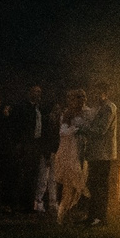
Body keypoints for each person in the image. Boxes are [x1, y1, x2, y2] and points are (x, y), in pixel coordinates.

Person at [80, 86, 120, 225]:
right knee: (93, 184)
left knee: (100, 186)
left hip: (103, 153)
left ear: (105, 93)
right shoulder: (99, 107)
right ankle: (92, 216)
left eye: (98, 93)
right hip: (96, 153)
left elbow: (101, 129)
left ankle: (100, 217)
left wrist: (83, 129)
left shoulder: (109, 107)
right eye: (94, 93)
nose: (96, 96)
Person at [51, 88, 89, 223]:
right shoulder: (68, 113)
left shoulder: (88, 112)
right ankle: (63, 213)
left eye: (83, 97)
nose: (81, 100)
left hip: (83, 150)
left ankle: (73, 210)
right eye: (78, 97)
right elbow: (63, 132)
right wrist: (75, 130)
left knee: (80, 180)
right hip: (70, 151)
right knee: (69, 183)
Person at [26, 84, 58, 216]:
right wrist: (47, 153)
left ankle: (52, 202)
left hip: (55, 152)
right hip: (46, 151)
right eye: (54, 110)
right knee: (43, 178)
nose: (56, 113)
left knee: (52, 179)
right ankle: (38, 201)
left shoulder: (57, 122)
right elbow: (46, 137)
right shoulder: (46, 122)